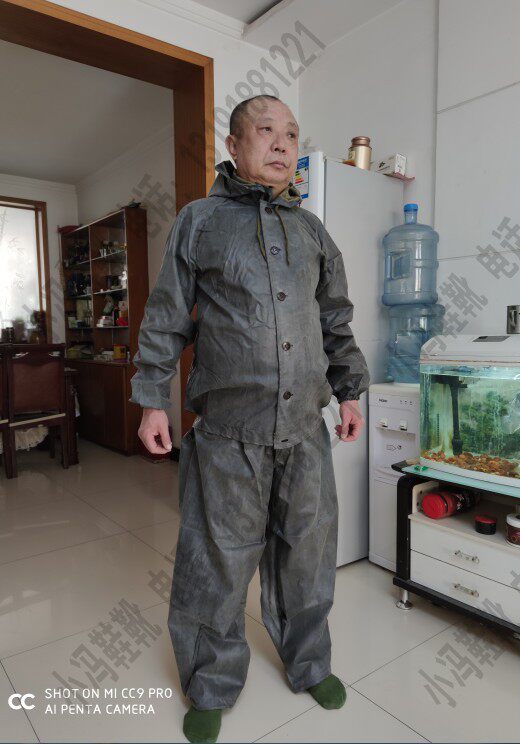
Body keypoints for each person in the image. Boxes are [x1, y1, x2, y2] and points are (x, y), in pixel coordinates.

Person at [129, 94, 370, 743]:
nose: (282, 143)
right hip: (227, 433)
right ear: (234, 146)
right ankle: (210, 682)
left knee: (308, 554)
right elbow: (166, 316)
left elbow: (335, 319)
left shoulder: (313, 231)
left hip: (305, 431)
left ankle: (309, 661)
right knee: (217, 561)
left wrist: (349, 392)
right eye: (266, 131)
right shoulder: (200, 222)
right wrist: (152, 398)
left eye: (291, 133)